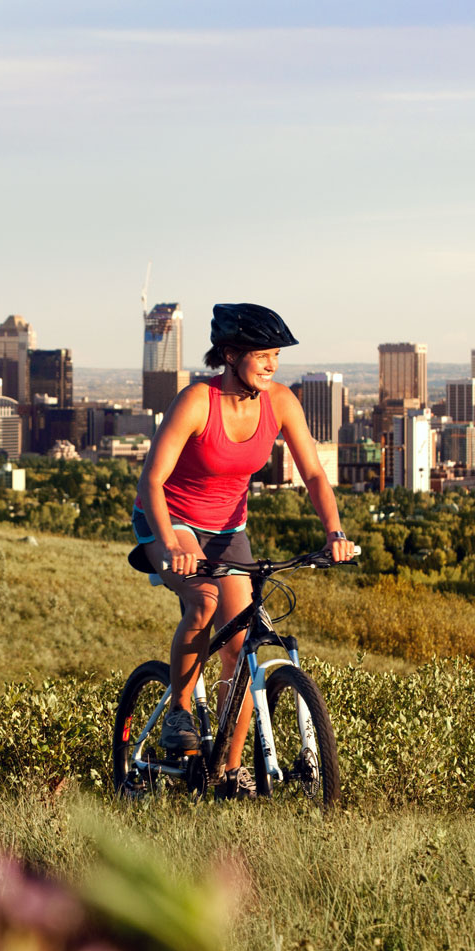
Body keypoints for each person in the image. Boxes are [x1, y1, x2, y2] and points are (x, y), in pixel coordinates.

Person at [133, 303, 358, 799]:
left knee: (243, 646)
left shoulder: (281, 403)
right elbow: (151, 479)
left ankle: (229, 772)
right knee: (205, 602)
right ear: (231, 354)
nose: (272, 364)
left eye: (276, 355)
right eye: (262, 354)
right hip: (171, 520)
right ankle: (179, 714)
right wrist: (171, 542)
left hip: (228, 528)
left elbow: (315, 473)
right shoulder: (197, 400)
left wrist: (334, 533)